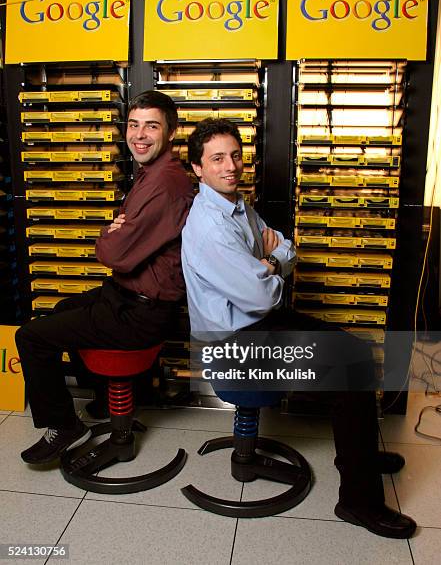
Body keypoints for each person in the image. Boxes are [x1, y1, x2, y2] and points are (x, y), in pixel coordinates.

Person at [181, 117, 416, 539]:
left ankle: (358, 453)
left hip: (259, 325)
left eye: (235, 155)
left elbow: (285, 246)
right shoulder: (209, 226)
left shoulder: (237, 206)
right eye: (217, 159)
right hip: (234, 348)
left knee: (357, 351)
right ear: (197, 168)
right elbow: (262, 293)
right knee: (348, 373)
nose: (230, 165)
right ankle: (358, 501)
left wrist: (270, 264)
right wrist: (272, 265)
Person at [17, 90, 194, 465]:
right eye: (133, 125)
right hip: (125, 296)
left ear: (172, 132)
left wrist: (110, 234)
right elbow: (121, 250)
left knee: (30, 337)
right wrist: (117, 232)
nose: (139, 134)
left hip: (140, 312)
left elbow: (115, 256)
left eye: (151, 126)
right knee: (63, 307)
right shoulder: (154, 175)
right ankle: (105, 399)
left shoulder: (164, 184)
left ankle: (65, 426)